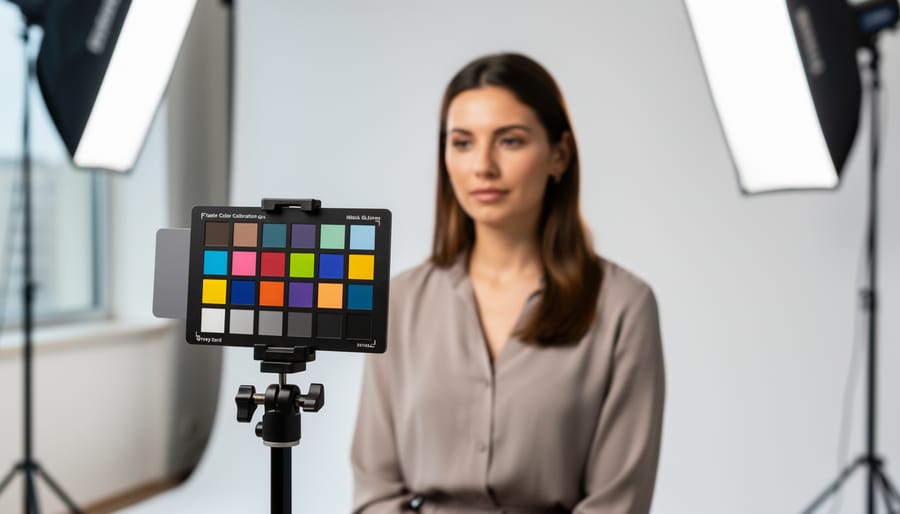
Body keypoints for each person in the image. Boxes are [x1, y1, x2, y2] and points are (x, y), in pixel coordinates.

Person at [351, 52, 665, 514]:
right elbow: (374, 490)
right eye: (462, 143)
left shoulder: (623, 307)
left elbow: (618, 503)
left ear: (559, 155)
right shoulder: (398, 302)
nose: (483, 166)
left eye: (510, 141)